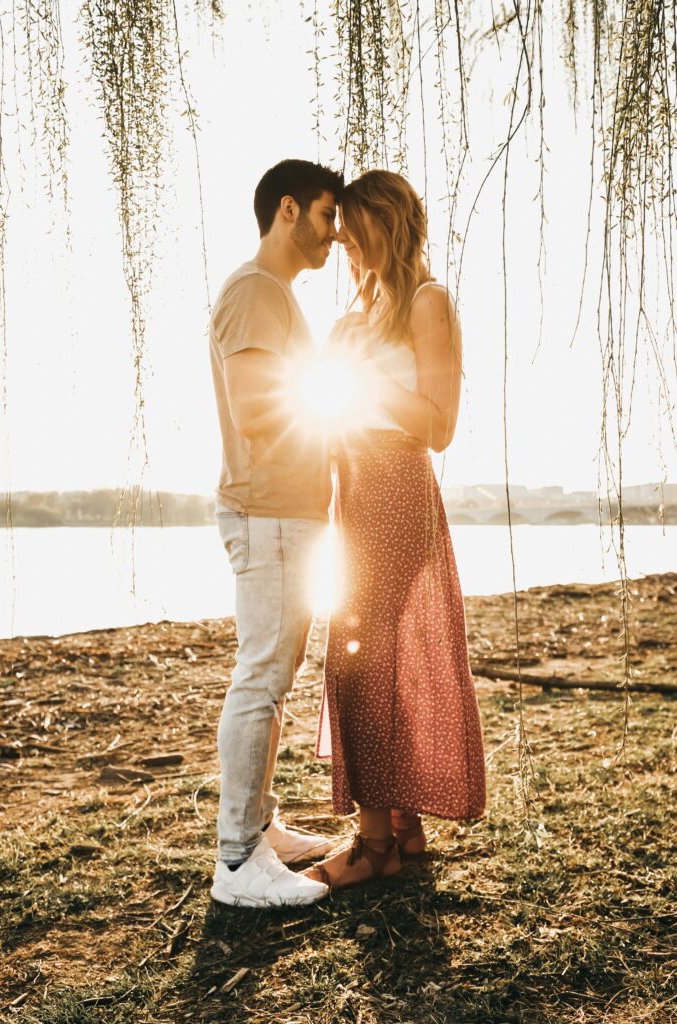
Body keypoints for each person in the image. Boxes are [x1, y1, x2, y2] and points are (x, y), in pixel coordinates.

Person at [306, 169, 487, 891]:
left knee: (360, 663)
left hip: (396, 486)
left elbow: (437, 426)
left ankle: (372, 842)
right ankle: (401, 825)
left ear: (388, 223)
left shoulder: (426, 301)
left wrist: (363, 379)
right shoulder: (361, 307)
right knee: (370, 660)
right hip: (351, 487)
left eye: (352, 227)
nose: (343, 241)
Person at [208, 159, 344, 907]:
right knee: (260, 675)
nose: (335, 233)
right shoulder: (255, 291)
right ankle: (236, 864)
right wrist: (346, 417)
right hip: (267, 510)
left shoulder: (274, 295)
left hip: (288, 510)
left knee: (273, 675)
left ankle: (258, 828)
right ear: (287, 210)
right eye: (327, 215)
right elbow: (260, 411)